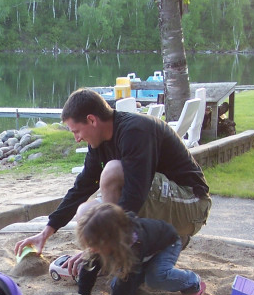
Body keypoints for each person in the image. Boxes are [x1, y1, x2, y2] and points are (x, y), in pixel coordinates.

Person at [15, 87, 211, 273]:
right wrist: (47, 231)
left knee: (112, 171)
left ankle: (120, 255)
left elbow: (134, 196)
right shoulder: (98, 144)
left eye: (76, 131)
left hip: (192, 206)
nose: (76, 138)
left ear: (91, 120)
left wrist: (95, 249)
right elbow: (81, 188)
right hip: (159, 206)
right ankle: (125, 255)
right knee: (84, 211)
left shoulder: (135, 131)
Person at [74, 202, 206, 295]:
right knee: (118, 287)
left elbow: (126, 278)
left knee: (155, 278)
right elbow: (89, 265)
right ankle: (144, 271)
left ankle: (192, 281)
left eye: (94, 245)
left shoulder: (133, 244)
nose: (91, 248)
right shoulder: (104, 243)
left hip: (167, 244)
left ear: (111, 239)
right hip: (145, 254)